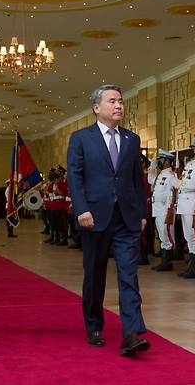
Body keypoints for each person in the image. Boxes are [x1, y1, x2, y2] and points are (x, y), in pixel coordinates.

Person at [67, 84, 150, 356]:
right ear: (96, 107)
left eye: (121, 101)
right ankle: (94, 325)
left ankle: (132, 333)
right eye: (112, 101)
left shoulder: (131, 140)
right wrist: (82, 209)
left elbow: (137, 180)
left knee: (129, 274)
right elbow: (75, 177)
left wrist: (141, 214)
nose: (119, 106)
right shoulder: (81, 139)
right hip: (94, 217)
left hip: (126, 218)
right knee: (95, 274)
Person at [173, 137, 195, 279]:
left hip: (192, 201)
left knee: (194, 235)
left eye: (194, 148)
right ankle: (192, 265)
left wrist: (180, 184)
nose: (192, 150)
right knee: (188, 235)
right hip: (185, 202)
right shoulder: (190, 165)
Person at [149, 149, 176, 271]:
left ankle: (167, 262)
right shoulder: (160, 175)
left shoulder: (170, 176)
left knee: (167, 235)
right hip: (158, 209)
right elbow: (151, 180)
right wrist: (152, 164)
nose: (159, 162)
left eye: (161, 160)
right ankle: (164, 260)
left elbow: (171, 195)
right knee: (161, 235)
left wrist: (170, 210)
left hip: (165, 210)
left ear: (167, 161)